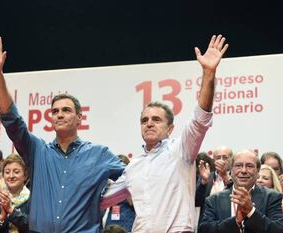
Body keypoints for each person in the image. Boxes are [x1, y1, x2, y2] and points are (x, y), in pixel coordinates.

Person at [0, 36, 125, 232]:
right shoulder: (37, 151)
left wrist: (111, 200)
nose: (59, 114)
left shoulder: (99, 154)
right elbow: (12, 120)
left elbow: (134, 178)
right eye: (55, 111)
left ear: (80, 118)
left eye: (66, 110)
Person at [101, 35, 229, 233]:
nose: (149, 123)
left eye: (156, 119)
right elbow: (105, 200)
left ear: (170, 129)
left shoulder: (181, 149)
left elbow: (200, 118)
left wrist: (209, 73)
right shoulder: (133, 166)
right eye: (145, 120)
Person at [199, 150, 283, 233]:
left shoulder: (272, 197)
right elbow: (204, 229)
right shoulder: (213, 200)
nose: (243, 171)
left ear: (258, 171)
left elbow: (278, 229)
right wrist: (235, 221)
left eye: (249, 166)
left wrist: (251, 211)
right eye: (238, 166)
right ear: (231, 171)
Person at [195, 146, 233, 224]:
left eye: (225, 158)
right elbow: (197, 202)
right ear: (214, 160)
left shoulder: (237, 177)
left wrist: (225, 176)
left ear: (231, 160)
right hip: (208, 224)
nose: (221, 161)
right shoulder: (206, 176)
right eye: (218, 158)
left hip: (230, 224)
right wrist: (204, 182)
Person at [0, 154, 29, 233]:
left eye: (16, 172)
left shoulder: (35, 200)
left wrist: (11, 210)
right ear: (3, 176)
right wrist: (1, 218)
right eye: (7, 172)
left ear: (25, 175)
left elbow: (34, 228)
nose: (11, 176)